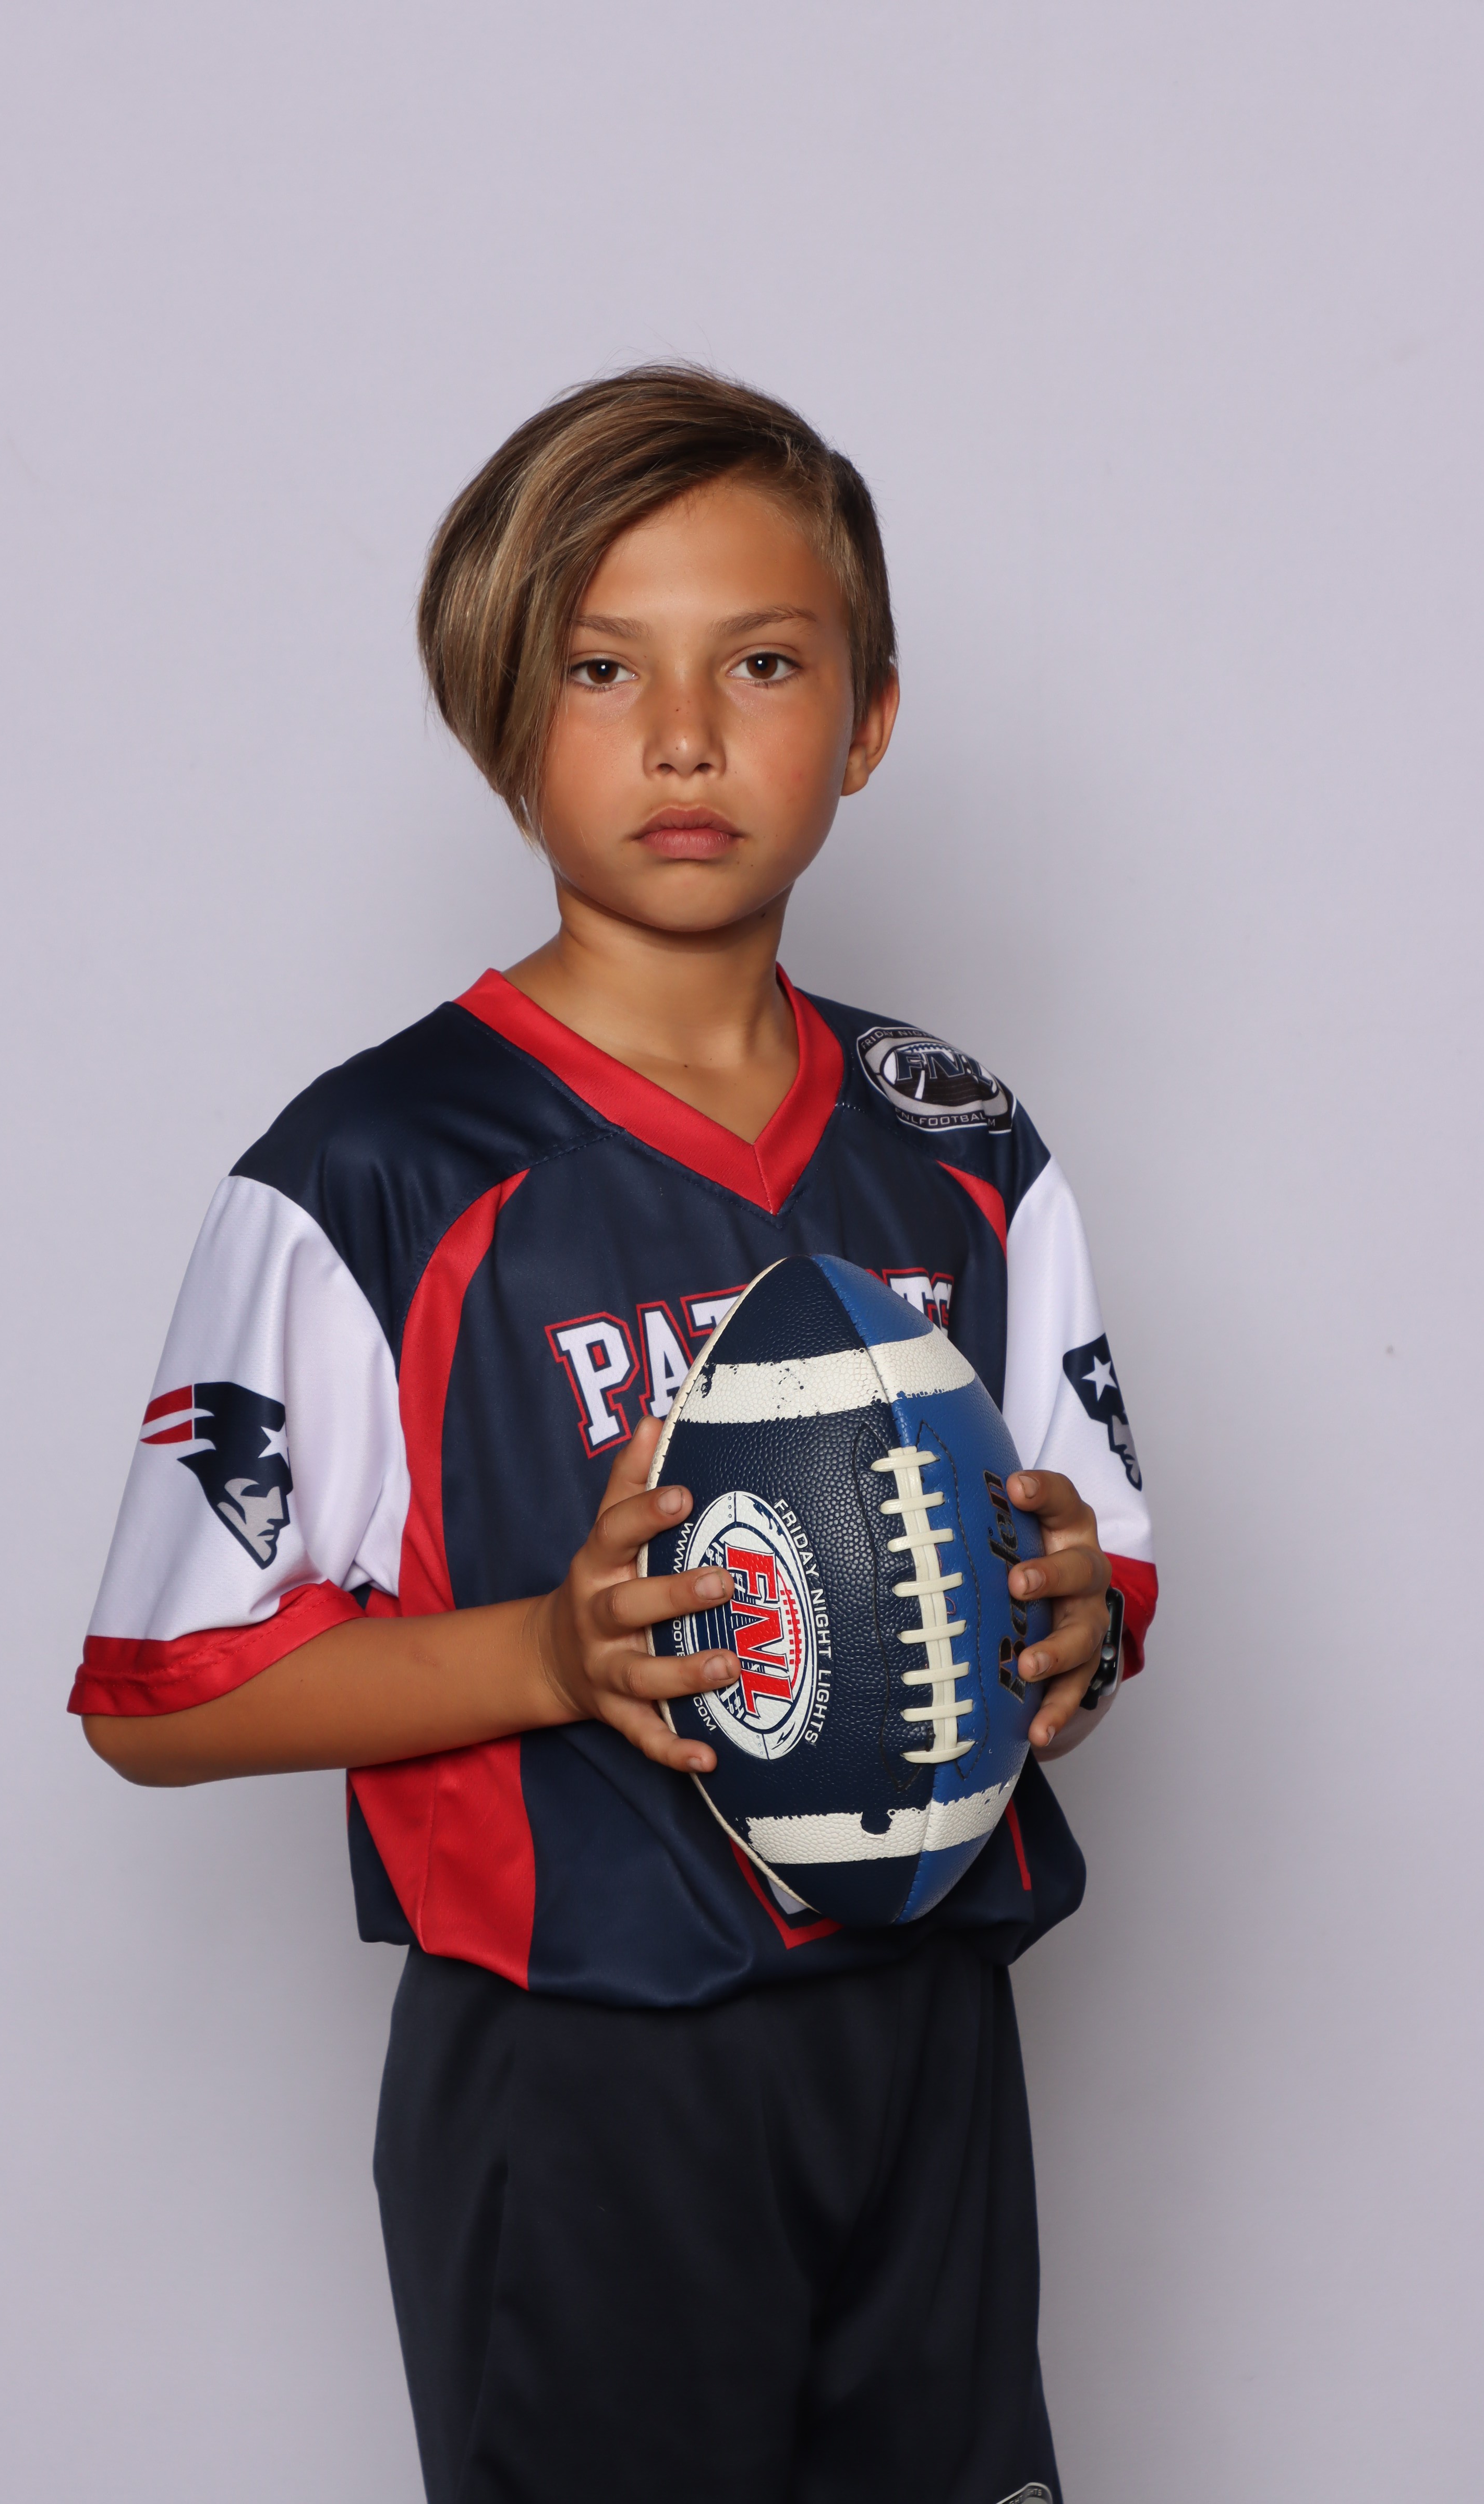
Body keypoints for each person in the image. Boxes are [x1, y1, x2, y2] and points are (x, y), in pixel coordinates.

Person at [73, 367, 1157, 2504]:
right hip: (582, 2068)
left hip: (930, 2027)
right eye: (600, 668)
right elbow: (158, 1694)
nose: (682, 736)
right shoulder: (383, 1168)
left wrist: (1073, 1626)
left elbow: (1096, 1571)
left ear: (865, 721)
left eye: (761, 664)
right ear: (506, 721)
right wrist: (551, 1657)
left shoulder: (958, 1141)